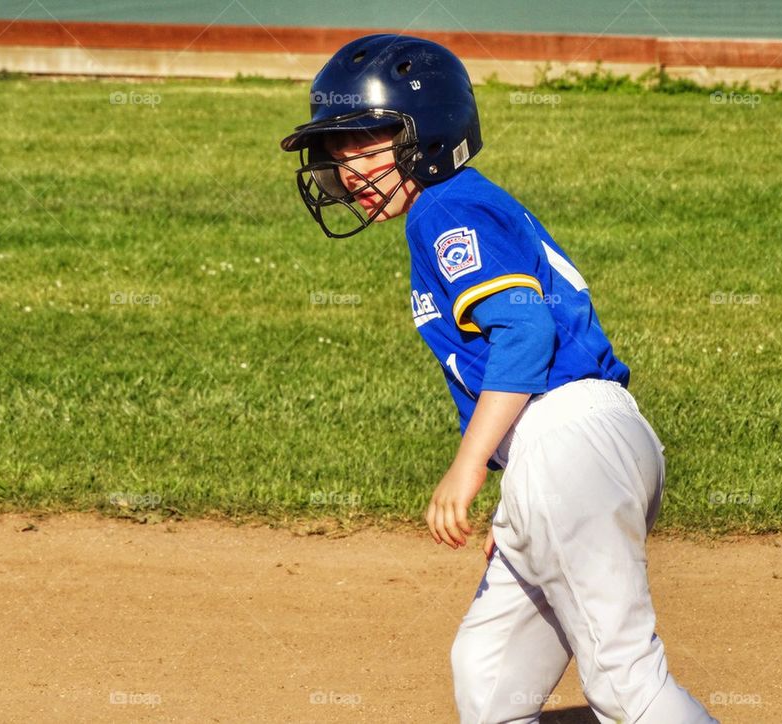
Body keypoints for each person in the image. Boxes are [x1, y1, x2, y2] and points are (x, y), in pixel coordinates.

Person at [280, 34, 717, 724]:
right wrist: (528, 495)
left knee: (626, 686)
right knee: (490, 675)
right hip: (574, 447)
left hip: (568, 440)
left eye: (364, 147)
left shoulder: (445, 209)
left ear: (427, 136)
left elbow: (525, 330)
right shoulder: (460, 205)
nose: (348, 172)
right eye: (338, 155)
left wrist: (471, 465)